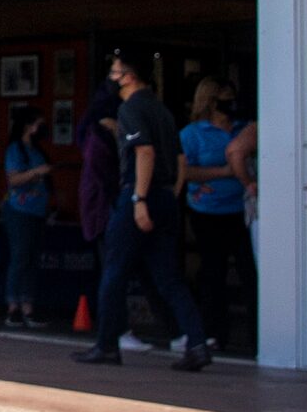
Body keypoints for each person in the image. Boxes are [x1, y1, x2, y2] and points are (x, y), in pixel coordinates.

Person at [75, 50, 212, 371]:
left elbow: (144, 151)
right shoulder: (163, 111)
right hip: (164, 197)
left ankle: (108, 345)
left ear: (129, 76)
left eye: (115, 72)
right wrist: (170, 194)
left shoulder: (131, 109)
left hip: (140, 196)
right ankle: (196, 342)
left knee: (114, 272)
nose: (112, 78)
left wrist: (139, 199)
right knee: (168, 277)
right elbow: (179, 160)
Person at [179, 79, 257, 352]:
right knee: (213, 273)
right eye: (225, 97)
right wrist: (223, 172)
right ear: (210, 102)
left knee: (251, 271)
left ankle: (258, 335)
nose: (231, 103)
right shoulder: (192, 134)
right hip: (207, 211)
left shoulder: (242, 128)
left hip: (243, 211)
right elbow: (184, 172)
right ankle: (213, 333)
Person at [0, 105, 53, 328]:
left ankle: (28, 307)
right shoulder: (15, 150)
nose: (42, 128)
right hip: (18, 211)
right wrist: (36, 173)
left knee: (32, 258)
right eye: (38, 124)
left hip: (38, 210)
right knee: (20, 257)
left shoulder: (38, 151)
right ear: (28, 127)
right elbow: (13, 180)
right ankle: (13, 308)